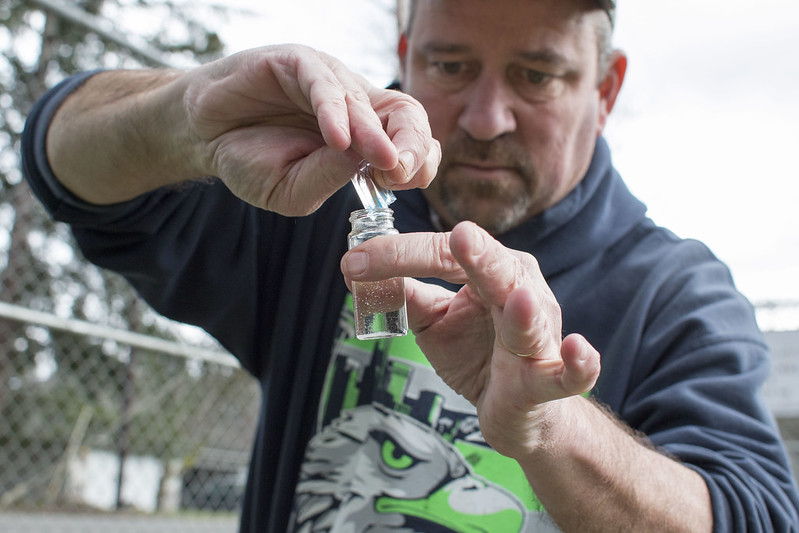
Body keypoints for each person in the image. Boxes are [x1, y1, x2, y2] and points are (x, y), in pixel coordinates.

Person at [21, 0, 799, 531]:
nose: (486, 117)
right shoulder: (312, 188)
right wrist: (182, 118)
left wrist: (549, 427)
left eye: (536, 74)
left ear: (606, 84)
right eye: (450, 65)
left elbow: (753, 513)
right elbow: (69, 174)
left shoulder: (678, 291)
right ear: (403, 56)